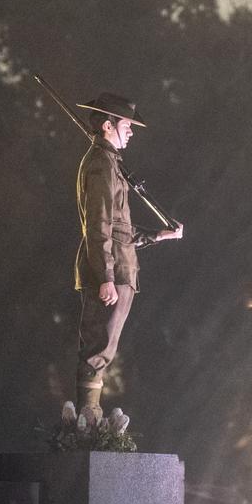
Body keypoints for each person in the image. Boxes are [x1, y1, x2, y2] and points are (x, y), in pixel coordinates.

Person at [73, 93, 182, 418]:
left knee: (103, 349)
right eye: (127, 126)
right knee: (97, 349)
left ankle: (88, 421)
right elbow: (98, 225)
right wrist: (105, 276)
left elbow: (119, 230)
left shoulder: (109, 164)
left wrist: (157, 235)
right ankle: (85, 424)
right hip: (112, 274)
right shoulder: (101, 165)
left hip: (120, 271)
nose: (132, 132)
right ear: (108, 126)